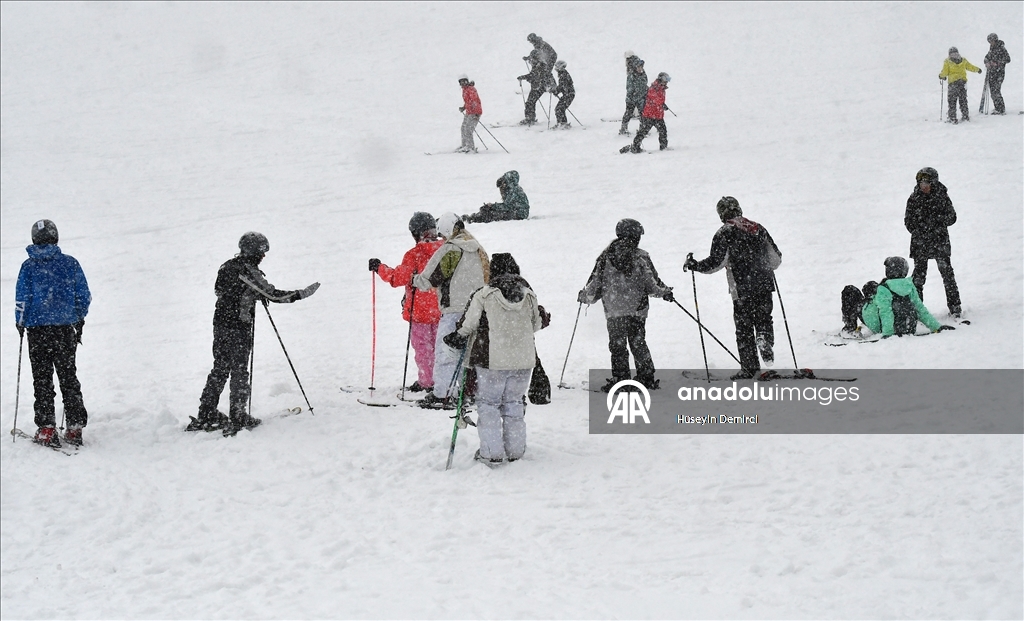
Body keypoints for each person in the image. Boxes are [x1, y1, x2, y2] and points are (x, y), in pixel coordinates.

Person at [188, 232, 320, 434]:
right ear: (252, 251)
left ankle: (206, 413)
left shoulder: (227, 266)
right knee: (239, 370)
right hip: (237, 327)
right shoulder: (246, 271)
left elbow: (220, 290)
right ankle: (238, 415)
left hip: (220, 325)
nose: (264, 256)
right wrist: (300, 294)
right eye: (262, 252)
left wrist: (248, 294)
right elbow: (272, 295)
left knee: (220, 368)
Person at [444, 253, 543, 463]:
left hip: (492, 360)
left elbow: (468, 325)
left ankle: (492, 453)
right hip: (523, 360)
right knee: (514, 403)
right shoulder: (529, 294)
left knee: (488, 404)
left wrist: (456, 336)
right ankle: (516, 451)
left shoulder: (484, 294)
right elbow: (536, 324)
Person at [684, 197, 782, 380]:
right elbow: (776, 258)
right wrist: (763, 265)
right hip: (764, 284)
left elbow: (716, 262)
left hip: (741, 288)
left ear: (721, 214)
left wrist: (695, 266)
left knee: (744, 329)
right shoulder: (758, 228)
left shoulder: (724, 232)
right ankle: (764, 338)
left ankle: (749, 368)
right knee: (764, 318)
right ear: (739, 209)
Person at [15, 220, 91, 448]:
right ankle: (75, 427)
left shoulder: (28, 267)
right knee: (68, 376)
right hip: (65, 329)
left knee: (42, 378)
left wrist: (20, 322)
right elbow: (83, 295)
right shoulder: (70, 264)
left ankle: (47, 427)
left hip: (37, 330)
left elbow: (22, 299)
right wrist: (77, 317)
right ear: (56, 237)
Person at [578, 219, 674, 392]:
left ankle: (621, 379)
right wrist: (665, 292)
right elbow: (652, 285)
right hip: (637, 310)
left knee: (617, 346)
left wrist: (585, 297)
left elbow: (595, 285)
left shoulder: (605, 257)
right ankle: (646, 377)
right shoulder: (641, 257)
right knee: (638, 343)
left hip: (614, 311)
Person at [413, 213, 490, 409]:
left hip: (454, 309)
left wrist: (414, 279)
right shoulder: (478, 248)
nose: (441, 239)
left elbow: (430, 278)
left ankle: (444, 394)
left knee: (446, 352)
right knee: (470, 354)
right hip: (478, 309)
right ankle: (470, 391)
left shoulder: (451, 249)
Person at [369, 213, 444, 394]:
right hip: (442, 309)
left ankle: (427, 382)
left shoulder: (415, 254)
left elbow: (397, 278)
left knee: (423, 349)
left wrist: (380, 268)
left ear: (415, 233)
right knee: (440, 348)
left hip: (419, 311)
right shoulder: (445, 249)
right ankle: (442, 380)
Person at [841, 257, 951, 338]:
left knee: (849, 291)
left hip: (876, 323)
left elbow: (886, 312)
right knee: (871, 285)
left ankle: (849, 327)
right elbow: (920, 309)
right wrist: (936, 327)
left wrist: (888, 333)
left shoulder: (884, 289)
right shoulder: (909, 286)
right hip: (908, 326)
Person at [904, 167, 962, 318]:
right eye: (921, 183)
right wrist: (920, 229)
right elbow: (908, 222)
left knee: (947, 273)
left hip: (939, 241)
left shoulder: (942, 196)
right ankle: (917, 310)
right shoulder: (914, 198)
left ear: (934, 183)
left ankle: (955, 307)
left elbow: (952, 217)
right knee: (918, 277)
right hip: (920, 243)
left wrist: (936, 222)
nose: (924, 186)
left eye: (927, 183)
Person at [622, 72, 670, 153]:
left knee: (663, 131)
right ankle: (635, 146)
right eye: (665, 80)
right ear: (660, 79)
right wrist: (661, 104)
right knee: (643, 132)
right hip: (649, 116)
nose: (666, 82)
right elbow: (654, 99)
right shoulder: (653, 88)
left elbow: (659, 100)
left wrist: (662, 104)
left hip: (658, 115)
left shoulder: (662, 89)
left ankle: (663, 147)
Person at [463, 170, 530, 223]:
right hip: (518, 213)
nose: (503, 185)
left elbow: (507, 206)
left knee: (492, 214)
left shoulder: (514, 190)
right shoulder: (513, 189)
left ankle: (473, 219)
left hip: (518, 214)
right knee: (491, 211)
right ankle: (474, 218)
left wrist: (492, 206)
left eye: (504, 182)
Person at [939, 46, 982, 124]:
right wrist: (978, 69)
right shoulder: (963, 60)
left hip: (953, 84)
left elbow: (945, 72)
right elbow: (970, 67)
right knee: (963, 100)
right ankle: (965, 115)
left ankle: (952, 118)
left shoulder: (947, 61)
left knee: (952, 101)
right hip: (962, 83)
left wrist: (941, 76)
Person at [517, 51, 549, 126]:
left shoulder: (540, 66)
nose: (530, 61)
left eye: (531, 60)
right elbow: (533, 75)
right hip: (537, 87)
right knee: (530, 102)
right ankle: (530, 118)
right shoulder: (538, 65)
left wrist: (525, 77)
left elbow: (534, 76)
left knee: (530, 102)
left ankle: (530, 118)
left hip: (539, 87)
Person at [620, 51, 647, 135]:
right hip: (631, 99)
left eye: (641, 67)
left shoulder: (643, 74)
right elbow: (629, 88)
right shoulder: (631, 76)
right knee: (628, 113)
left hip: (641, 98)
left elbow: (644, 83)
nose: (640, 69)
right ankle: (623, 128)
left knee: (643, 114)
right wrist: (633, 96)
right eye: (638, 67)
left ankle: (642, 129)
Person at [984, 33, 1011, 115]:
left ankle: (1001, 109)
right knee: (993, 90)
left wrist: (997, 63)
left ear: (995, 40)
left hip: (999, 73)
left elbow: (1008, 59)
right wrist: (987, 62)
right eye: (989, 41)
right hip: (992, 73)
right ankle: (997, 108)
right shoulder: (992, 48)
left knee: (996, 90)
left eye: (991, 41)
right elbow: (986, 57)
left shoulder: (1001, 48)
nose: (990, 42)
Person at [457, 75, 482, 153]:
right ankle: (464, 145)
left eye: (464, 82)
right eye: (461, 82)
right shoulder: (465, 90)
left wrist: (476, 113)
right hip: (469, 112)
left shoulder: (471, 89)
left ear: (467, 81)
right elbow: (468, 101)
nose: (463, 84)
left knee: (468, 129)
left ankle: (470, 147)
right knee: (463, 128)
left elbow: (475, 101)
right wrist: (464, 108)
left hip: (474, 113)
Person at [553, 60, 575, 129]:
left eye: (557, 67)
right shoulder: (562, 74)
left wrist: (556, 91)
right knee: (560, 108)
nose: (555, 69)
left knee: (559, 109)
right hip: (567, 94)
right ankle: (562, 123)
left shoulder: (563, 75)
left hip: (568, 94)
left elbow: (562, 86)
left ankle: (562, 124)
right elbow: (562, 86)